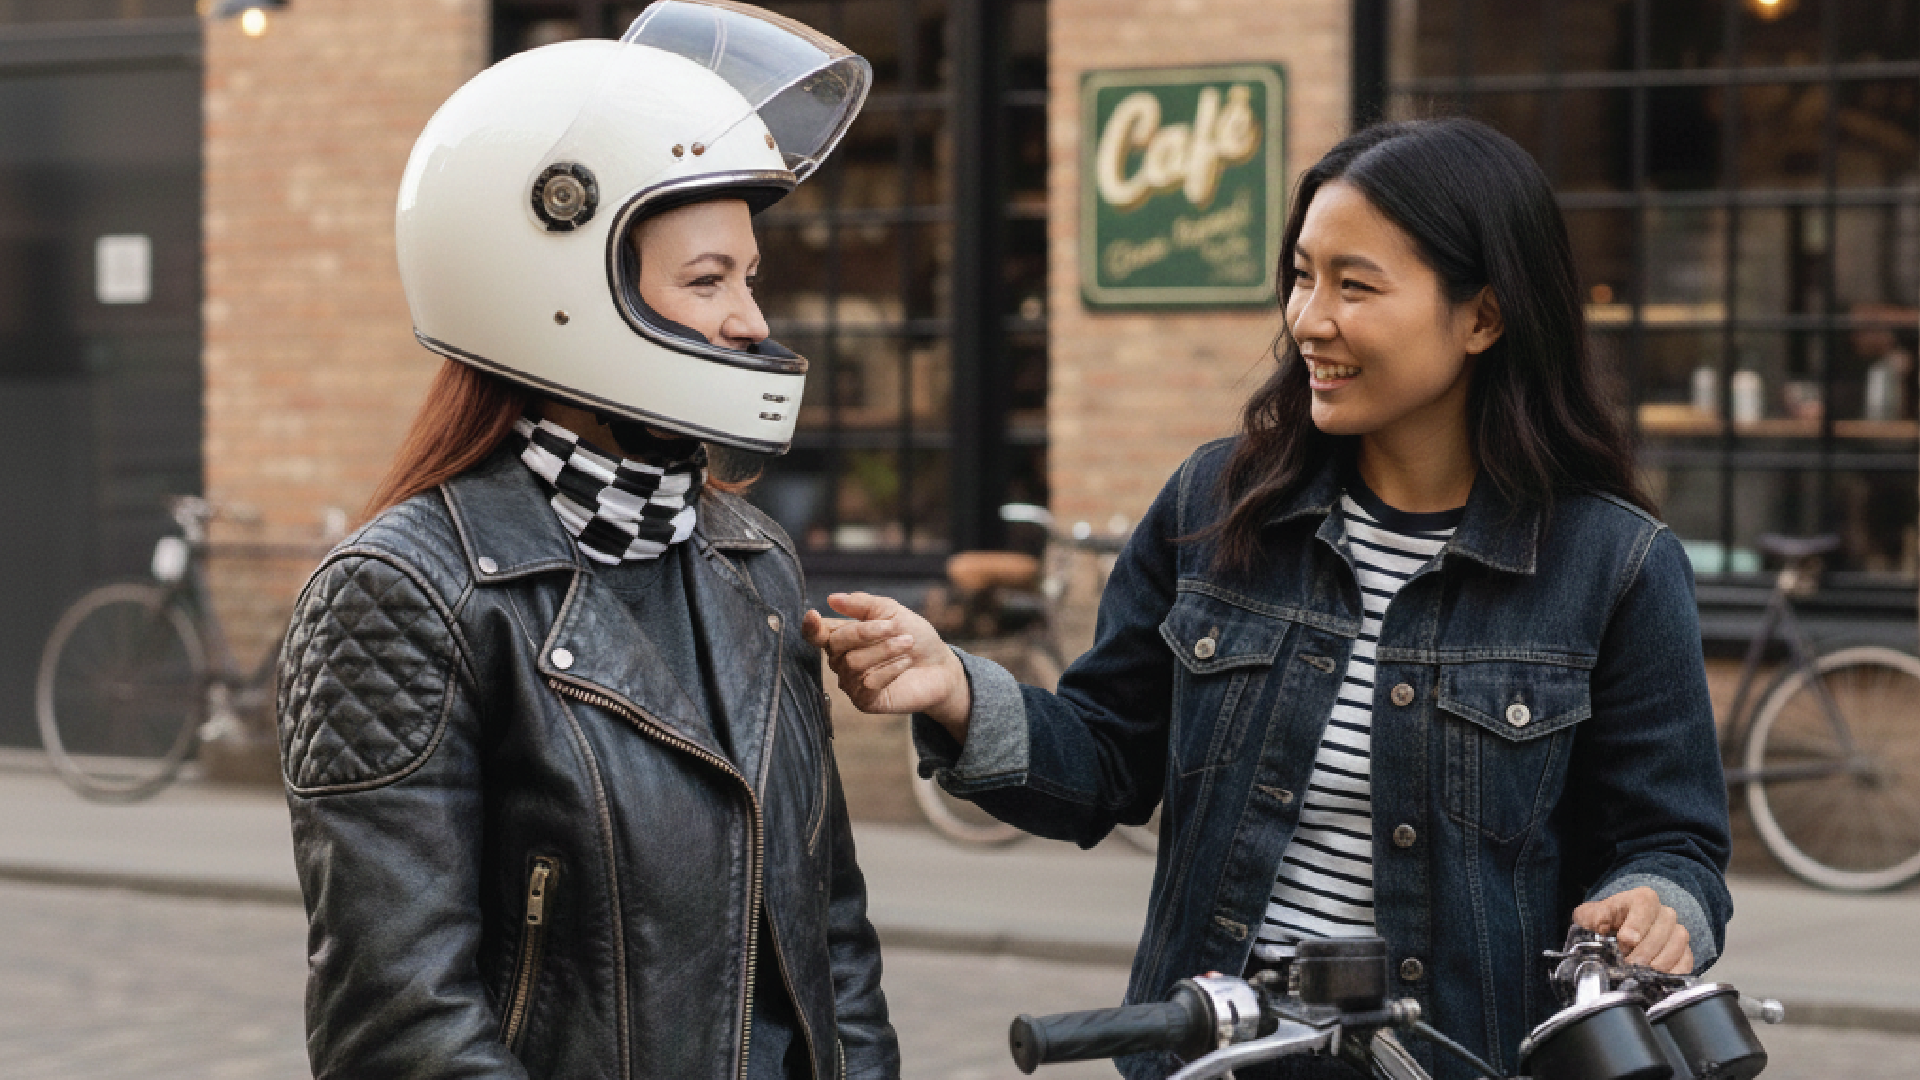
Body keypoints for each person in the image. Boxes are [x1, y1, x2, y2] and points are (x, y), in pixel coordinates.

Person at [807, 118, 1731, 1080]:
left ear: (1483, 318)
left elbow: (1675, 843)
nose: (1309, 319)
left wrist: (1658, 905)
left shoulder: (1614, 565)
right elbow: (1107, 759)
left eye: (1355, 286)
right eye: (1301, 276)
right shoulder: (1216, 505)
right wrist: (956, 689)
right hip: (1219, 1057)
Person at [276, 4, 898, 1078]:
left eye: (749, 279)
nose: (751, 321)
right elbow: (401, 1025)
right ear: (561, 293)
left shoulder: (751, 561)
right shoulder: (401, 594)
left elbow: (831, 934)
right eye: (707, 280)